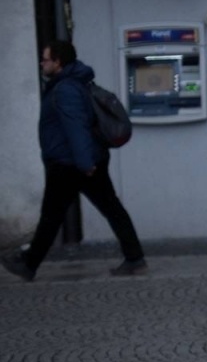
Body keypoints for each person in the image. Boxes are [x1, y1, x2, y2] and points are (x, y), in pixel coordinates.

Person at [3, 40, 146, 282]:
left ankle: (29, 264)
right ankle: (135, 258)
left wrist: (85, 162)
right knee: (111, 209)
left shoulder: (65, 88)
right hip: (83, 160)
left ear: (58, 62)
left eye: (46, 59)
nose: (42, 63)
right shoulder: (72, 83)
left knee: (52, 216)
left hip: (71, 164)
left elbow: (76, 127)